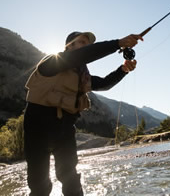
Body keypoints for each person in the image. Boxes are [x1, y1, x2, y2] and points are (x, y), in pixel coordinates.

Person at [23, 31, 143, 196]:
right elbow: (82, 56)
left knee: (70, 179)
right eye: (82, 42)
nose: (87, 46)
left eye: (89, 44)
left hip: (65, 127)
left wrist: (123, 70)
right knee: (39, 184)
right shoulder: (52, 62)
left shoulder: (83, 77)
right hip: (38, 125)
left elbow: (104, 83)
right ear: (69, 46)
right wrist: (118, 43)